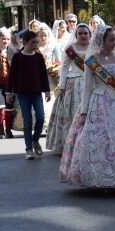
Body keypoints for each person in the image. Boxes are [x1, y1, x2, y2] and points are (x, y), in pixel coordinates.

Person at [59, 25, 115, 188]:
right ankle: (101, 178)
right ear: (102, 40)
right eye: (111, 40)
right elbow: (87, 87)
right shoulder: (91, 61)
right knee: (100, 140)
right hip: (99, 102)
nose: (114, 42)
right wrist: (84, 112)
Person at [45, 23, 91, 153]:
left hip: (91, 84)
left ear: (89, 35)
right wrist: (62, 86)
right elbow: (64, 68)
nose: (83, 35)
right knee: (72, 113)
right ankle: (72, 143)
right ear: (76, 35)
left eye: (85, 33)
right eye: (80, 33)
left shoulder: (95, 48)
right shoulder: (70, 49)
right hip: (74, 83)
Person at [5, 30, 51, 159]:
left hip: (36, 92)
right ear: (24, 43)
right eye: (33, 42)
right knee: (27, 120)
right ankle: (28, 149)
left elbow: (43, 75)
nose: (36, 44)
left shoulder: (38, 57)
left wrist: (47, 91)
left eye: (37, 42)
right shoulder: (18, 57)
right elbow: (12, 76)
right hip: (23, 93)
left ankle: (35, 140)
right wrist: (9, 92)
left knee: (41, 118)